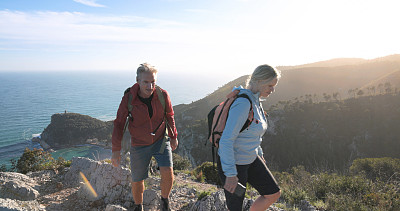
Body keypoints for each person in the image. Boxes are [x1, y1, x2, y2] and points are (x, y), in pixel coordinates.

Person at [111, 63, 178, 211]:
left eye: (153, 81)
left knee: (168, 172)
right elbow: (119, 123)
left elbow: (170, 115)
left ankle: (165, 202)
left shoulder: (162, 95)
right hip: (139, 144)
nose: (150, 86)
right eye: (146, 82)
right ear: (137, 80)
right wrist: (116, 149)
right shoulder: (129, 98)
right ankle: (138, 206)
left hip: (160, 140)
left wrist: (173, 136)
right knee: (137, 179)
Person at [218, 64, 281, 211]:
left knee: (273, 194)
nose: (273, 90)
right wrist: (231, 174)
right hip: (235, 163)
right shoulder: (243, 103)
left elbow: (252, 132)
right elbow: (226, 140)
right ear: (259, 81)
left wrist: (259, 154)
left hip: (251, 158)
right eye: (270, 85)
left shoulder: (256, 101)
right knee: (235, 208)